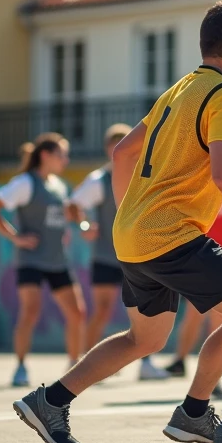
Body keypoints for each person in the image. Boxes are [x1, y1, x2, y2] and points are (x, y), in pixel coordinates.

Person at [12, 0, 222, 443]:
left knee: (145, 339)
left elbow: (123, 153)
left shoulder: (179, 90)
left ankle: (51, 402)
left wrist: (134, 211)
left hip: (133, 236)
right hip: (172, 235)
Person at [0, 133, 86, 387]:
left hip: (57, 260)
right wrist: (15, 237)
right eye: (61, 154)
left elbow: (63, 218)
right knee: (30, 312)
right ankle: (20, 367)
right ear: (45, 155)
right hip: (31, 260)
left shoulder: (60, 186)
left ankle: (74, 366)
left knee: (77, 313)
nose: (66, 159)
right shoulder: (25, 183)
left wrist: (78, 223)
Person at [147, 189, 222, 396]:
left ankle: (213, 376)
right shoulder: (210, 177)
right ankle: (181, 360)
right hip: (211, 254)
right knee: (195, 314)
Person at [69, 124, 156, 377]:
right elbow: (73, 204)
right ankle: (86, 364)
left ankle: (146, 364)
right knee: (103, 310)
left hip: (139, 255)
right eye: (117, 142)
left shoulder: (144, 174)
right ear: (110, 148)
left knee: (145, 312)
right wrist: (84, 225)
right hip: (107, 255)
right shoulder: (100, 179)